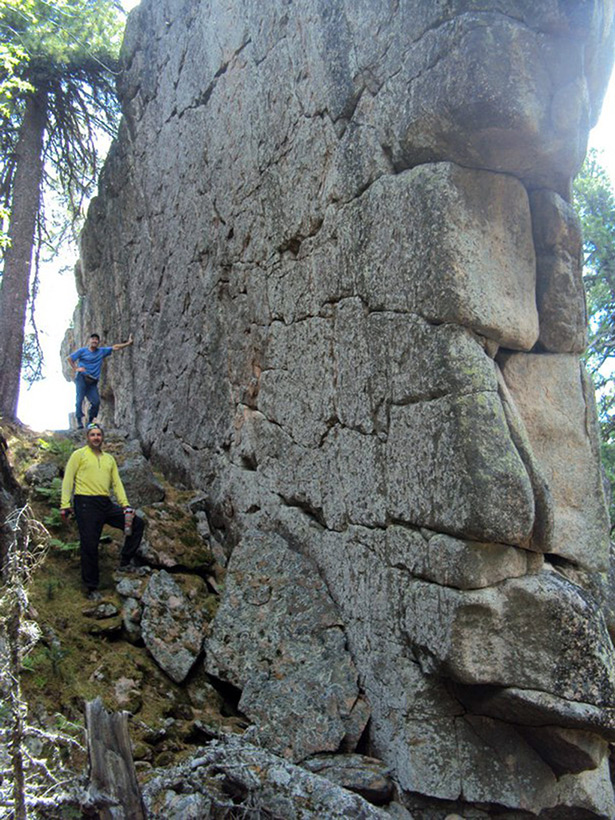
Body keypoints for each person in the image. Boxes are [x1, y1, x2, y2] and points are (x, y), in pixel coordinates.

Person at [60, 423, 144, 600]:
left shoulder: (109, 459)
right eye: (92, 435)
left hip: (105, 503)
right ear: (87, 437)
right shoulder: (78, 455)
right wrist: (65, 504)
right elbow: (68, 479)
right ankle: (91, 587)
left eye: (98, 434)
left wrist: (125, 505)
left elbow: (117, 483)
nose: (96, 437)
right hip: (85, 503)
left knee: (137, 523)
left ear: (102, 437)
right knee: (89, 544)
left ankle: (125, 562)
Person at [67, 332, 134, 428]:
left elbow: (115, 347)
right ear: (89, 340)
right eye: (93, 339)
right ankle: (79, 421)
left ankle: (90, 422)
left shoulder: (101, 351)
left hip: (92, 382)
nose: (94, 341)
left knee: (96, 402)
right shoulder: (82, 351)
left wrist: (128, 343)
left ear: (98, 342)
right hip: (82, 378)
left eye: (96, 339)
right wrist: (76, 368)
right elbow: (69, 358)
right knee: (79, 399)